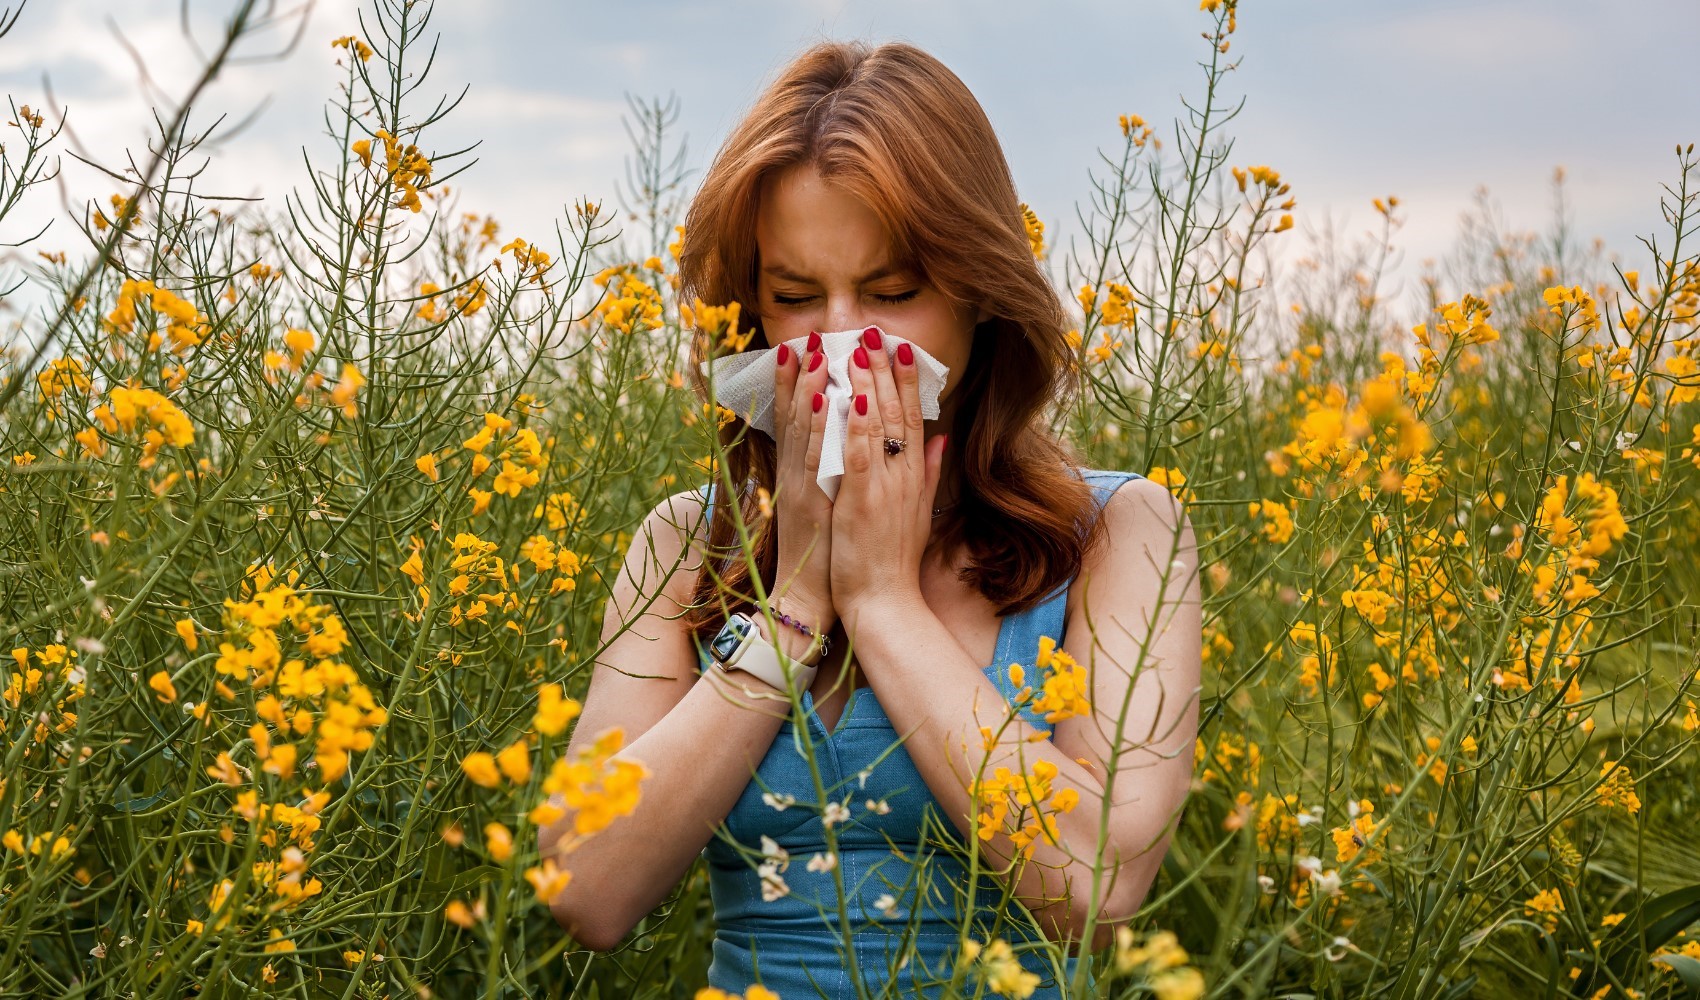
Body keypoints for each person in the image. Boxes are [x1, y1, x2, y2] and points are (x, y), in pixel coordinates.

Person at [541, 39, 1202, 999]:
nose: (844, 345)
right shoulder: (690, 544)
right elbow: (586, 892)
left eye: (893, 294)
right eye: (797, 298)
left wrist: (885, 602)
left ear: (979, 293)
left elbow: (1095, 887)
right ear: (750, 312)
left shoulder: (1118, 533)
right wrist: (799, 598)